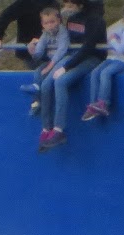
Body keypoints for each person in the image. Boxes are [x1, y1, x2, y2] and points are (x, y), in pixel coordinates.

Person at [40, 0, 108, 149]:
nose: (66, 9)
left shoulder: (95, 20)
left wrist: (66, 67)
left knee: (61, 82)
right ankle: (46, 127)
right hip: (72, 55)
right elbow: (63, 39)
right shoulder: (71, 19)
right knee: (46, 84)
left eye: (70, 5)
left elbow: (88, 48)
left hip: (91, 57)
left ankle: (59, 129)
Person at [85, 3, 124, 119]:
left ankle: (103, 102)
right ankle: (93, 103)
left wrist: (113, 40)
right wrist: (117, 36)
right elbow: (119, 33)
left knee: (106, 73)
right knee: (95, 71)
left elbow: (121, 48)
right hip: (116, 59)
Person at [25, 6, 73, 111]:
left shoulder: (62, 31)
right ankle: (36, 100)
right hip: (51, 62)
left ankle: (40, 97)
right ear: (42, 24)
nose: (50, 26)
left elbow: (61, 51)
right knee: (38, 71)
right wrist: (32, 50)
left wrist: (50, 66)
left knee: (46, 77)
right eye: (46, 23)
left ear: (59, 21)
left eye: (52, 22)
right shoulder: (45, 34)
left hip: (63, 61)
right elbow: (39, 51)